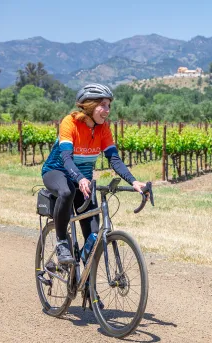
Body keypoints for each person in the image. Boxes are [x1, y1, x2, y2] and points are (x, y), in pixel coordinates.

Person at [42, 83, 147, 265]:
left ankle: (85, 285)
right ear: (89, 105)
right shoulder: (70, 122)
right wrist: (80, 178)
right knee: (67, 192)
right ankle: (61, 243)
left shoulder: (103, 128)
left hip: (83, 180)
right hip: (57, 171)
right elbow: (67, 158)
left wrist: (134, 182)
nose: (107, 110)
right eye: (103, 105)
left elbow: (114, 160)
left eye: (109, 106)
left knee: (93, 237)